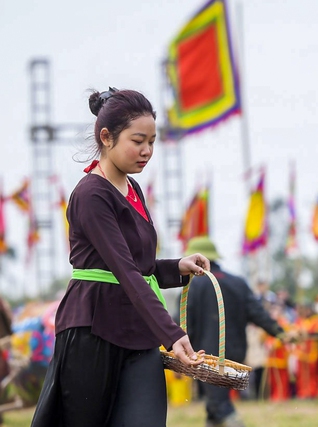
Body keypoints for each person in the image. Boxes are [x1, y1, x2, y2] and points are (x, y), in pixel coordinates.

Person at [31, 88, 209, 427]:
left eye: (153, 142)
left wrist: (177, 268)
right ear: (106, 137)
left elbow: (140, 267)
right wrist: (172, 334)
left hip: (137, 331)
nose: (147, 151)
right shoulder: (91, 195)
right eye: (138, 140)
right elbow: (124, 271)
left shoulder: (133, 188)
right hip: (92, 330)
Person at [181, 236, 287, 427]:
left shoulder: (193, 285)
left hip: (207, 355)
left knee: (219, 402)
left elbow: (184, 321)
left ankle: (233, 422)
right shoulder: (238, 282)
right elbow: (258, 313)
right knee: (215, 399)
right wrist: (280, 332)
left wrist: (176, 345)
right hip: (236, 351)